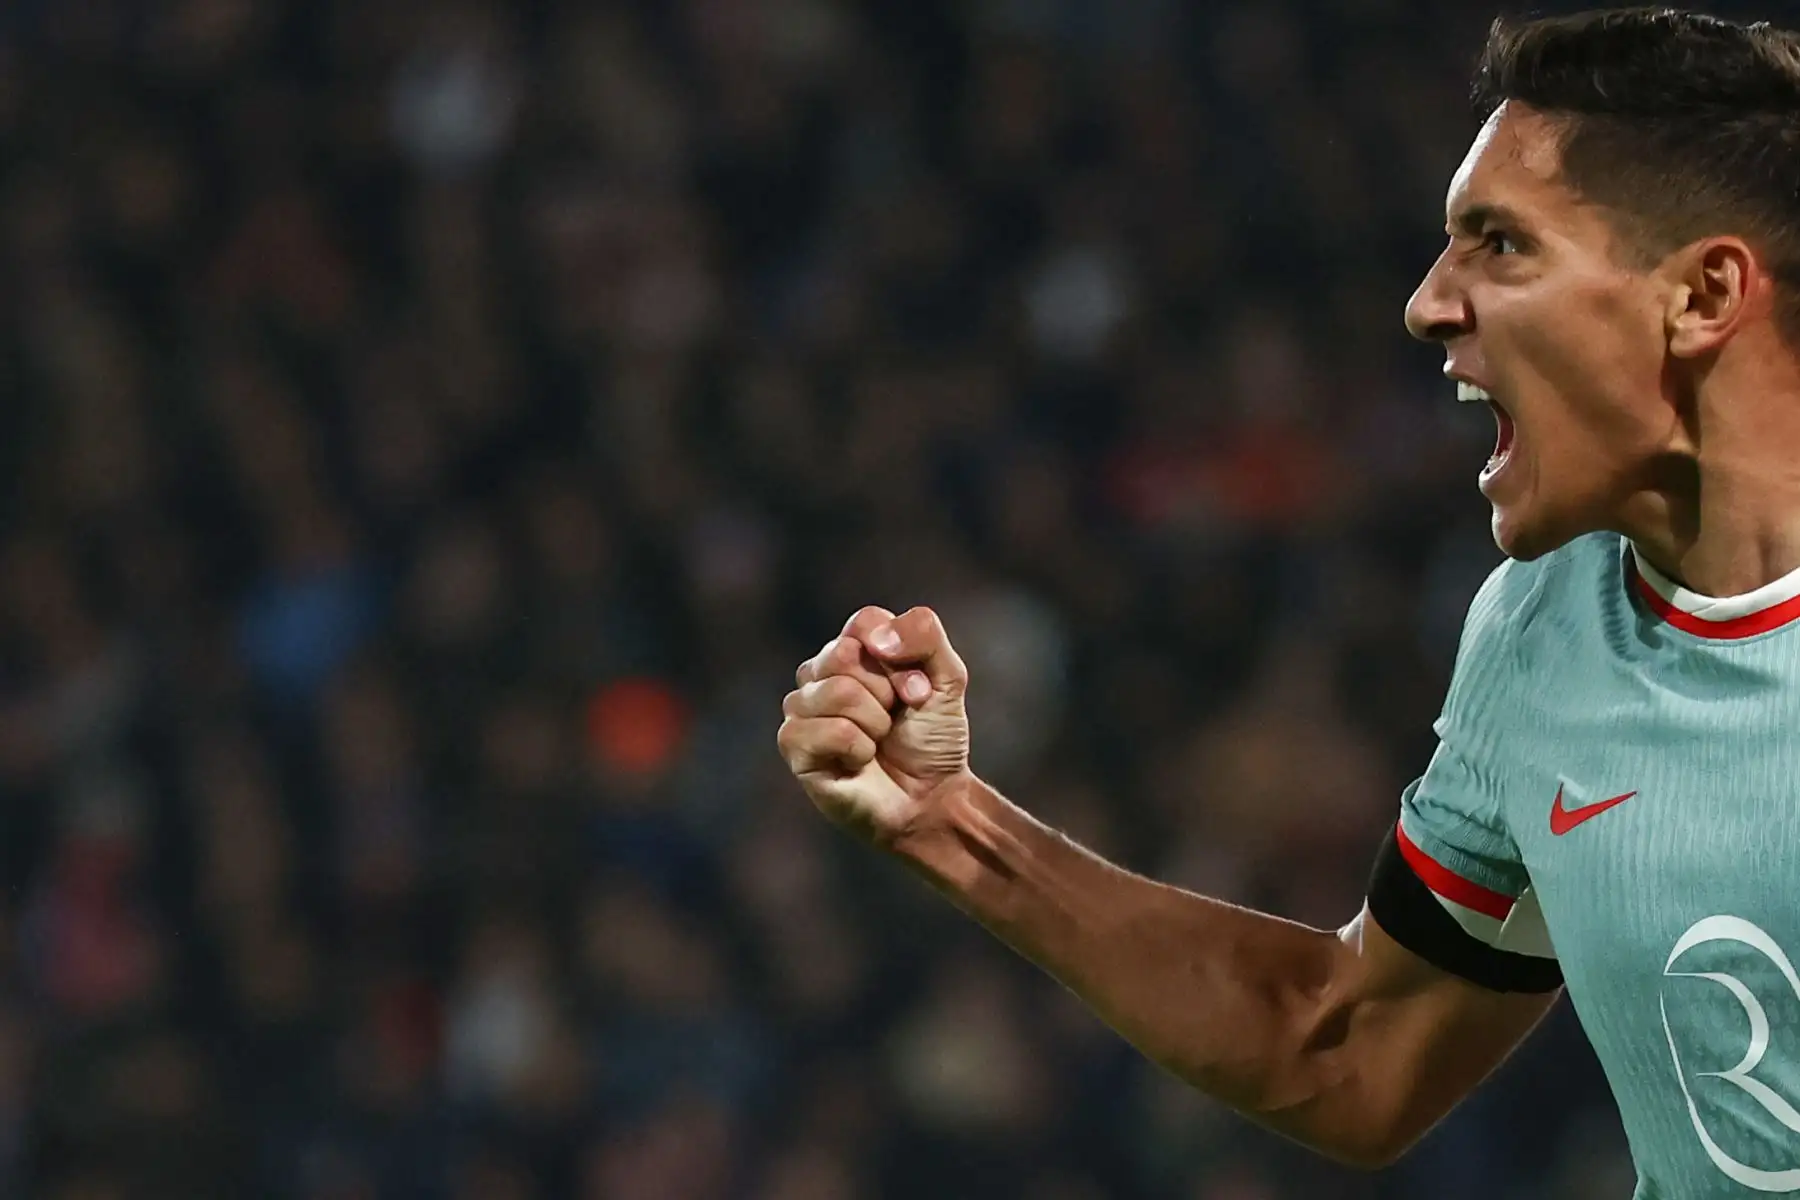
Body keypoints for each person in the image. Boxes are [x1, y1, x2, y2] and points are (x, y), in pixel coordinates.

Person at [777, 7, 1800, 1195]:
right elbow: (1357, 1048)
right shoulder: (1544, 627)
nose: (1428, 303)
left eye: (1502, 245)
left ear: (1704, 292)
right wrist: (944, 821)